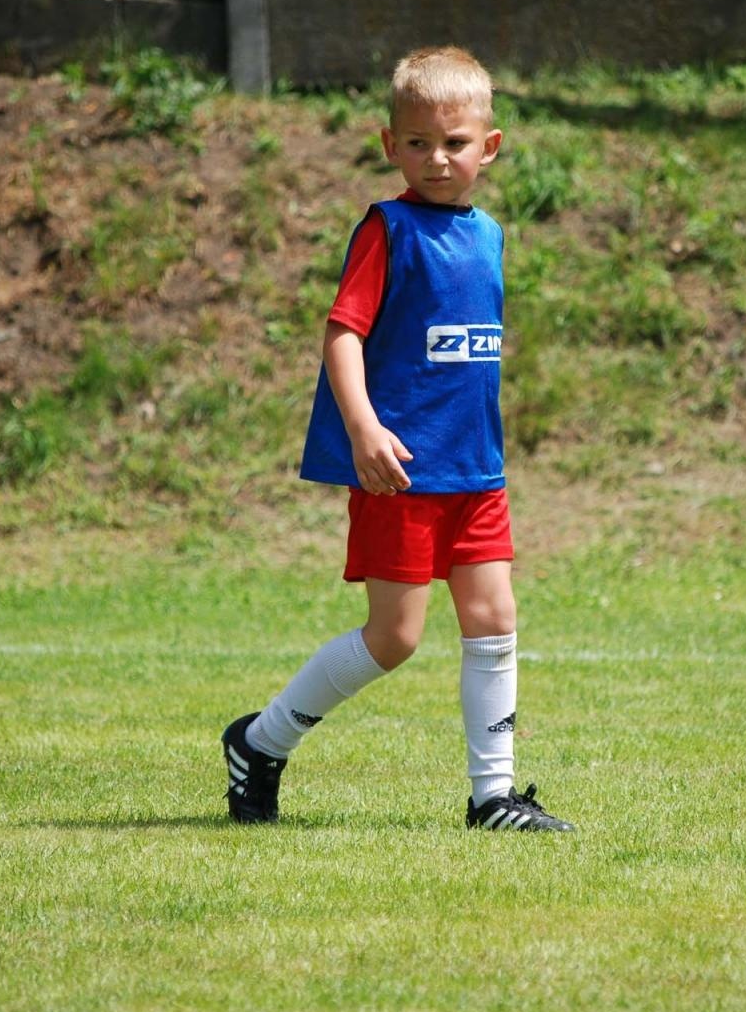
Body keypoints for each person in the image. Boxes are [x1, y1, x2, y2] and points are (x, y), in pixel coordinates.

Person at [221, 46, 574, 833]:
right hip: (402, 473)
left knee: (494, 616)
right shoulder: (387, 229)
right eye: (417, 143)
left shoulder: (490, 237)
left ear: (490, 146)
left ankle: (493, 798)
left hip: (476, 470)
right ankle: (260, 740)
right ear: (390, 146)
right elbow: (342, 334)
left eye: (454, 143)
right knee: (395, 637)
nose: (436, 158)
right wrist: (364, 426)